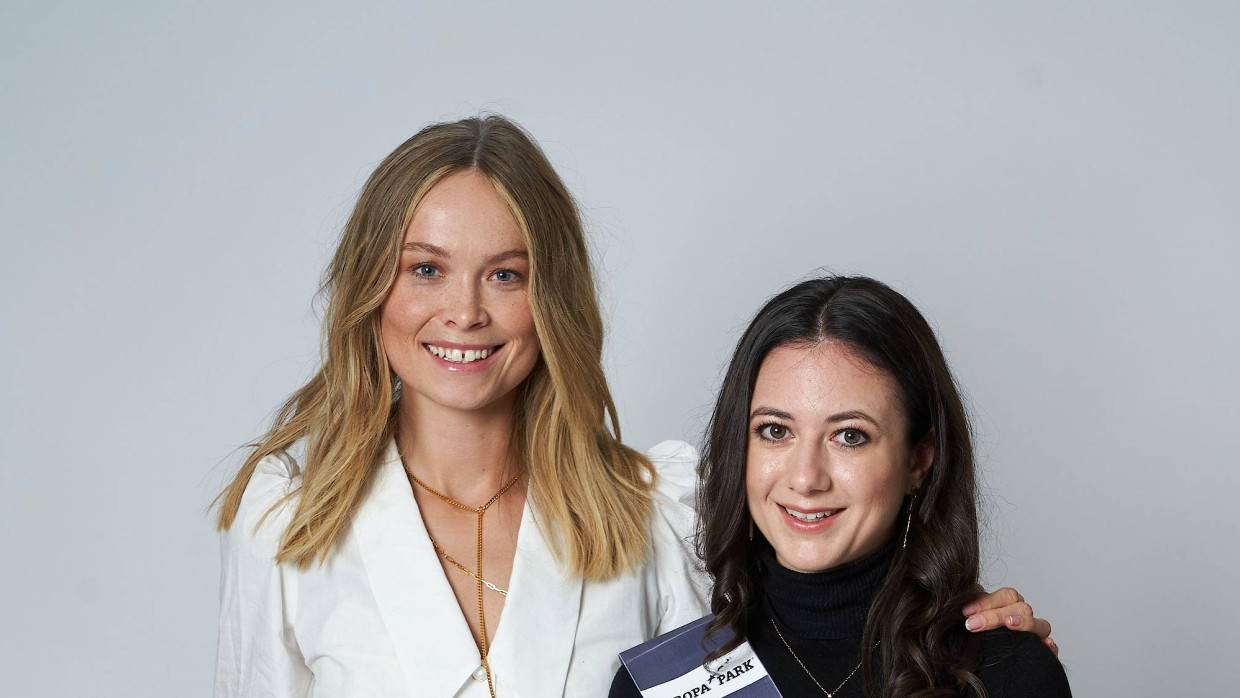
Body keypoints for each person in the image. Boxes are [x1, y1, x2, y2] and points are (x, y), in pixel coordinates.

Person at [214, 116, 1052, 697]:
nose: (464, 312)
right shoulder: (288, 520)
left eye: (507, 273)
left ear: (555, 299)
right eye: (425, 268)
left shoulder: (653, 509)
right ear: (371, 285)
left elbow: (818, 601)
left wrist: (971, 639)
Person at [611, 276, 1070, 697]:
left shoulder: (1009, 674)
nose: (806, 478)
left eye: (849, 436)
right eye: (775, 431)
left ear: (918, 461)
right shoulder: (662, 684)